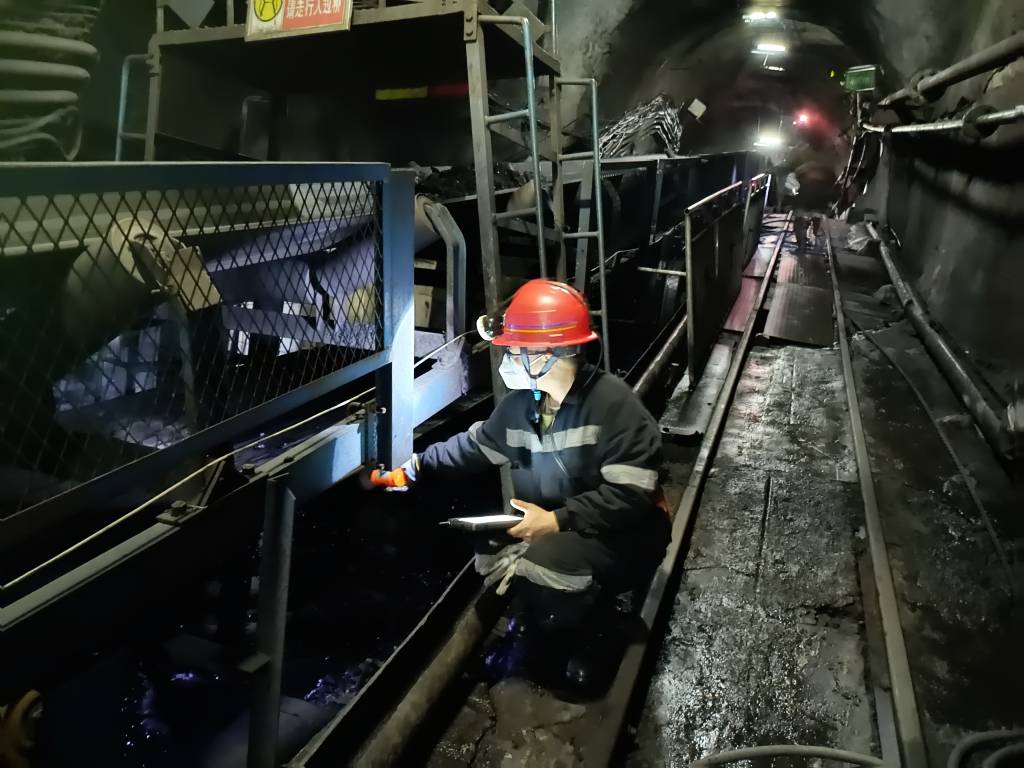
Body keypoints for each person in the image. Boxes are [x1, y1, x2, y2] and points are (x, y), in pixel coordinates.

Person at [372, 279, 670, 694]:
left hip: (630, 533)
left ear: (547, 353)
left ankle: (587, 640)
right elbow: (474, 447)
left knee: (546, 560)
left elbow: (630, 497)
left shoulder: (614, 406)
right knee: (494, 545)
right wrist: (414, 468)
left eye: (515, 350)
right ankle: (548, 614)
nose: (507, 359)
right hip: (561, 522)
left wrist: (556, 520)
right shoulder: (522, 407)